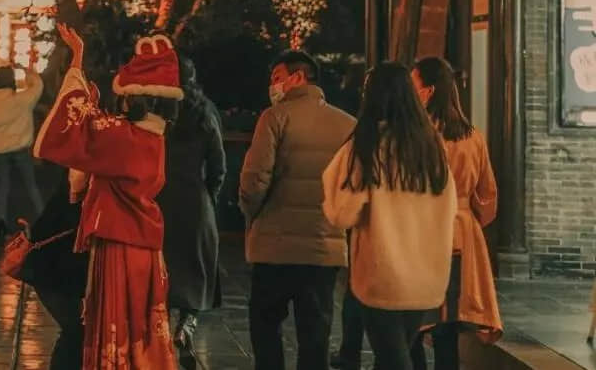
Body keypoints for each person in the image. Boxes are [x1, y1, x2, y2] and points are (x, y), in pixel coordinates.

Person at [35, 24, 181, 370]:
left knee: (114, 318)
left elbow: (79, 123)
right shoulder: (154, 137)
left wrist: (77, 62)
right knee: (139, 324)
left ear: (137, 97)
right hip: (144, 246)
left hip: (119, 243)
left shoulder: (125, 138)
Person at [322, 61, 458, 370]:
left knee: (393, 359)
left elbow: (342, 212)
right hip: (427, 276)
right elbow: (449, 207)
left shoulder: (367, 145)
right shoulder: (431, 146)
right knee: (395, 357)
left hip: (383, 276)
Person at [239, 50, 355, 370]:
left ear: (299, 77)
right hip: (323, 248)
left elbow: (254, 179)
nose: (273, 86)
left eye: (277, 78)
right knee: (315, 334)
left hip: (274, 247)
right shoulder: (348, 125)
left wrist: (252, 214)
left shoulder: (275, 117)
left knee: (265, 327)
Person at [410, 56, 502, 370]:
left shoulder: (417, 135)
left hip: (422, 232)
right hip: (463, 233)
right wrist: (470, 217)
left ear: (429, 90)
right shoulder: (473, 136)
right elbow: (488, 195)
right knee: (448, 327)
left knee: (414, 321)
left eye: (414, 85)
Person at [158, 55, 226, 369]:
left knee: (159, 271)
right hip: (194, 200)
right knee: (196, 271)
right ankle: (186, 326)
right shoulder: (204, 111)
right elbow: (218, 165)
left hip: (156, 199)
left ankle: (154, 335)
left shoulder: (154, 108)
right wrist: (208, 197)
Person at [20, 174, 88, 370]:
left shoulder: (79, 183)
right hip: (58, 274)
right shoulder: (82, 188)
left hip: (55, 273)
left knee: (75, 334)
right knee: (76, 333)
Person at [0, 64, 44, 236]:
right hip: (21, 149)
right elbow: (38, 86)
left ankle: (1, 221)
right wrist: (27, 70)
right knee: (31, 185)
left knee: (3, 186)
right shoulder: (22, 100)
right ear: (12, 81)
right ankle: (43, 218)